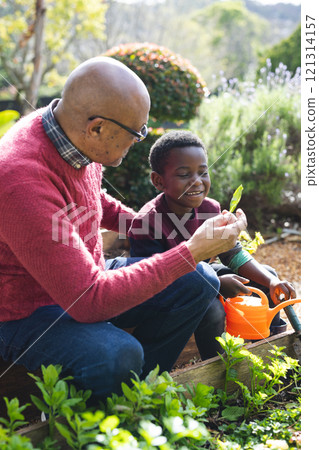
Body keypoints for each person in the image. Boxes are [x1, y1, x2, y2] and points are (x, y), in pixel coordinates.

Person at [0, 57, 247, 403]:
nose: (139, 141)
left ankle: (135, 396)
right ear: (97, 127)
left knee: (201, 279)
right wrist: (191, 250)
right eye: (136, 132)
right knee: (119, 355)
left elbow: (91, 199)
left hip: (81, 278)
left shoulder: (66, 132)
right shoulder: (20, 178)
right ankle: (115, 401)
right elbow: (89, 301)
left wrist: (162, 225)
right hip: (24, 310)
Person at [128, 130, 296, 359]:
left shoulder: (210, 209)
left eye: (202, 172)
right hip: (173, 295)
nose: (197, 181)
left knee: (267, 275)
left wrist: (272, 281)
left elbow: (232, 252)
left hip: (203, 275)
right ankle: (218, 372)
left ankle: (270, 353)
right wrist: (216, 285)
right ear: (159, 180)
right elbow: (152, 284)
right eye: (184, 174)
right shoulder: (147, 222)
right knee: (213, 309)